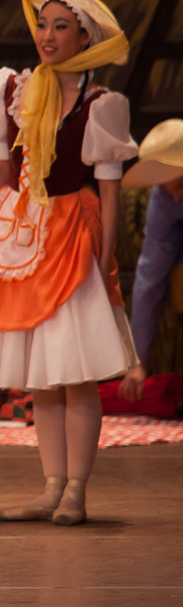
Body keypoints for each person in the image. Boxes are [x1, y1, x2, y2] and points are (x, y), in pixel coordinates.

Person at [0, 0, 138, 526]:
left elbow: (109, 190)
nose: (47, 36)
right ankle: (50, 486)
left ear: (85, 37)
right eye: (42, 25)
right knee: (43, 374)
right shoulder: (13, 89)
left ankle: (76, 490)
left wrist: (105, 258)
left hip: (69, 231)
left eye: (60, 26)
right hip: (18, 229)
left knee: (74, 369)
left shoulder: (101, 105)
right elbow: (3, 168)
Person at [118, 119, 183, 404]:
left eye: (181, 186)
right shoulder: (163, 201)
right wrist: (138, 361)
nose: (177, 197)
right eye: (169, 190)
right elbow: (150, 275)